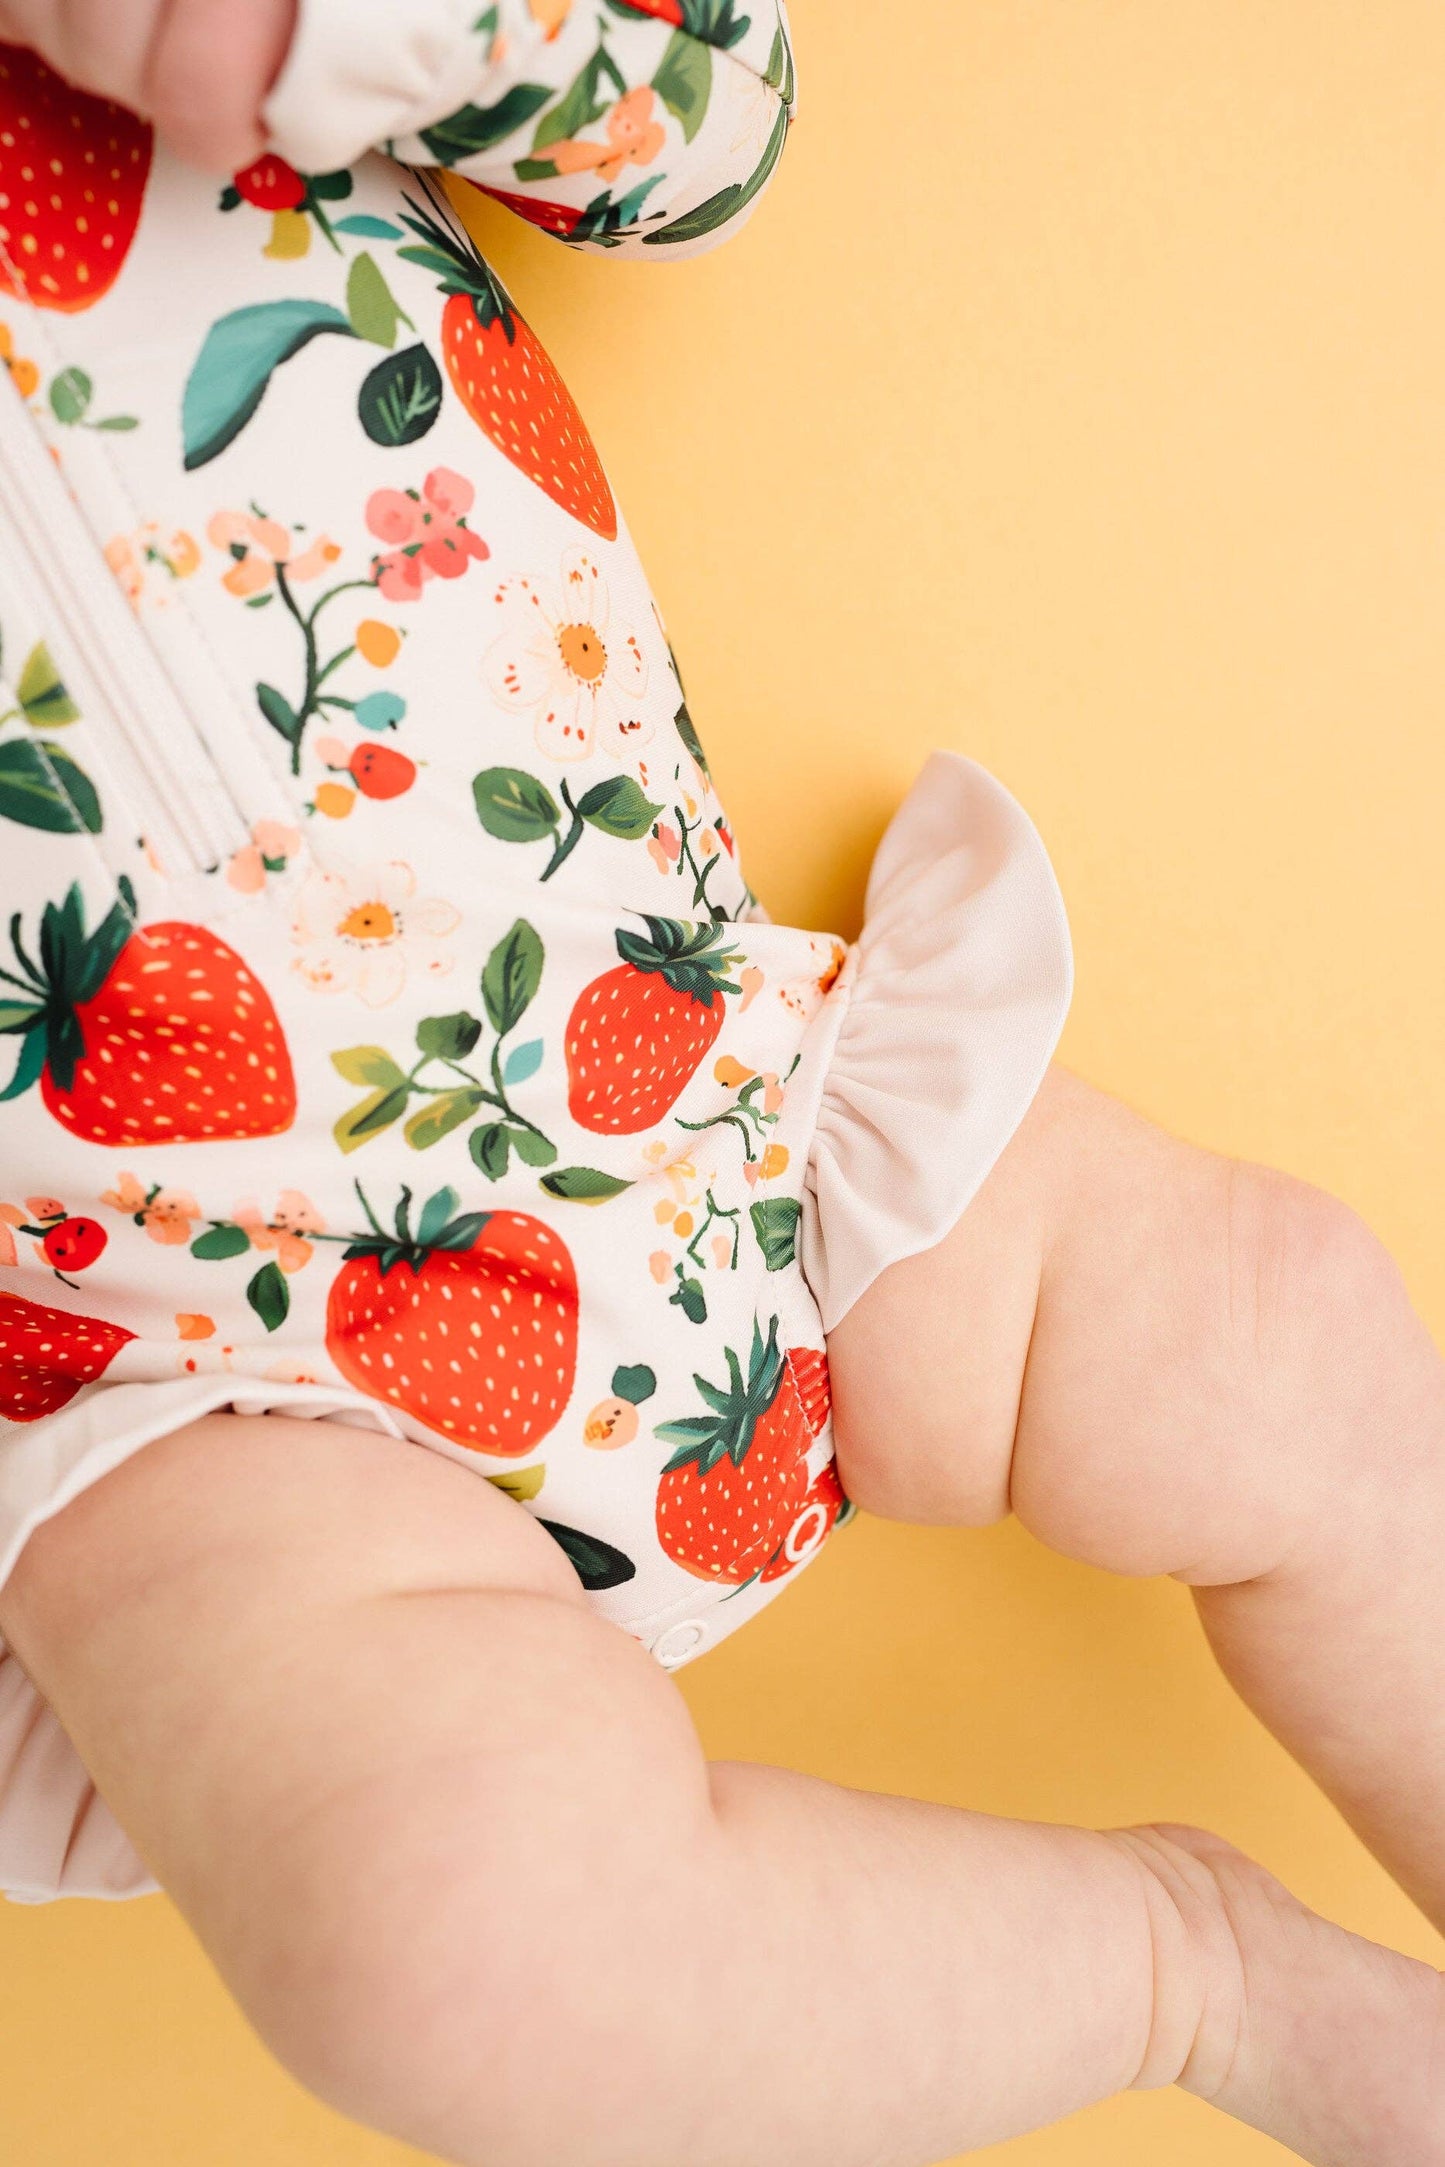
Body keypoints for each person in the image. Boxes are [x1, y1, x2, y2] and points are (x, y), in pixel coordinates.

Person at [0, 6, 1441, 2163]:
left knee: (1265, 1342)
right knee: (459, 1954)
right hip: (178, 1380)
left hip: (695, 1065)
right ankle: (1190, 1962)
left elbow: (709, 111)